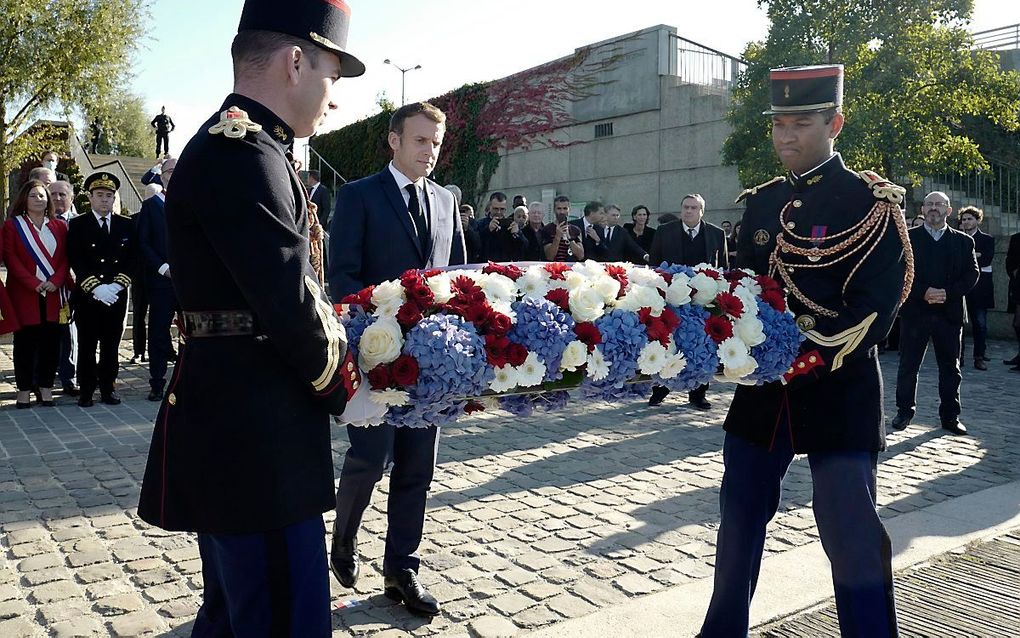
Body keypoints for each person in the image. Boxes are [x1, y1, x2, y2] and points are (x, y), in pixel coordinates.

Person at [137, 2, 364, 635]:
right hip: (258, 440)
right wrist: (349, 382)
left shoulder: (247, 144)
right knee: (278, 617)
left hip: (245, 424)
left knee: (238, 615)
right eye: (332, 76)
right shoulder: (243, 151)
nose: (334, 99)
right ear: (296, 61)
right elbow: (289, 297)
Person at [699, 65, 910, 638]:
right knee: (738, 520)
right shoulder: (762, 204)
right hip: (763, 396)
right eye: (778, 125)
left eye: (800, 124)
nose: (785, 137)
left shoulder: (868, 201)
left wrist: (807, 352)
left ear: (835, 122)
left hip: (837, 389)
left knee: (850, 530)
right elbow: (741, 289)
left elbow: (876, 305)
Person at [328, 101, 465, 618]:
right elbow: (341, 278)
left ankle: (401, 568)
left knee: (416, 469)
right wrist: (375, 330)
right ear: (394, 140)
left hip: (432, 363)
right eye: (419, 140)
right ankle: (344, 538)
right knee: (369, 459)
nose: (429, 151)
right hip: (376, 357)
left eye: (435, 142)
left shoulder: (447, 202)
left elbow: (458, 280)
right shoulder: (359, 196)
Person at [891, 192, 979, 435]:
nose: (934, 208)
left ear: (949, 211)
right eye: (929, 204)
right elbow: (899, 272)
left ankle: (951, 416)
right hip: (916, 312)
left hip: (949, 314)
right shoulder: (907, 239)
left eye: (939, 204)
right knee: (908, 365)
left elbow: (972, 275)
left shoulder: (963, 242)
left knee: (951, 368)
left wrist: (946, 293)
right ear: (923, 209)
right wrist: (923, 292)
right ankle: (904, 411)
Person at [648, 193, 728, 410]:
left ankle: (698, 393)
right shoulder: (665, 231)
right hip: (673, 296)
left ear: (702, 211)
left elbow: (723, 267)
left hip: (704, 300)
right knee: (669, 341)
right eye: (685, 207)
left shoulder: (716, 234)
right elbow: (655, 264)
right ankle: (660, 388)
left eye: (693, 208)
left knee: (702, 344)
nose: (689, 211)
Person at [66, 173, 134, 407]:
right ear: (90, 198)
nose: (105, 200)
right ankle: (86, 390)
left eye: (109, 195)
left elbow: (133, 259)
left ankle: (108, 388)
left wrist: (116, 285)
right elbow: (76, 259)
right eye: (100, 195)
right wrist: (96, 288)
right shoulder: (77, 225)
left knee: (111, 345)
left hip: (116, 295)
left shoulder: (126, 224)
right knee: (87, 345)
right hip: (89, 297)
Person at [3, 180, 70, 407]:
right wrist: (33, 283)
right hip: (24, 293)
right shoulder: (13, 226)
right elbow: (11, 259)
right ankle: (23, 390)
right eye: (34, 195)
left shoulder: (59, 226)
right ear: (24, 198)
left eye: (42, 196)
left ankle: (46, 387)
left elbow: (64, 259)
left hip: (53, 293)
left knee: (51, 343)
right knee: (25, 344)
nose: (39, 199)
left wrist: (56, 280)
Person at [136, 158, 178, 401]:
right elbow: (144, 242)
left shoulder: (192, 203)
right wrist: (163, 268)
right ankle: (157, 382)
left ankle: (187, 379)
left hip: (189, 282)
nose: (173, 175)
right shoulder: (151, 205)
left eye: (177, 171)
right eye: (169, 171)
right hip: (162, 281)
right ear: (161, 176)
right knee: (159, 332)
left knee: (193, 333)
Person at [48, 180, 78, 396]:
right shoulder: (40, 223)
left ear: (71, 198)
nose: (58, 198)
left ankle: (70, 377)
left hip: (75, 287)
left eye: (62, 194)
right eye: (54, 194)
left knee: (71, 333)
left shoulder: (80, 223)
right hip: (47, 286)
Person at [957, 206, 994, 370]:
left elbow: (986, 260)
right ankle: (959, 356)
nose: (966, 222)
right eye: (964, 219)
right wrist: (975, 255)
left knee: (980, 324)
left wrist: (971, 257)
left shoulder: (987, 239)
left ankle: (979, 357)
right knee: (959, 325)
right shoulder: (956, 238)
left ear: (977, 220)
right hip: (961, 289)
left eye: (969, 219)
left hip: (981, 289)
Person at [543, 195, 584, 261]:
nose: (562, 212)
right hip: (554, 268)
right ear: (554, 210)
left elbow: (581, 256)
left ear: (569, 210)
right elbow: (549, 256)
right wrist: (557, 236)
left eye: (565, 208)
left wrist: (569, 238)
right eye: (559, 208)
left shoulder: (575, 230)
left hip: (571, 268)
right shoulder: (547, 229)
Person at [1006, 231, 1020, 370]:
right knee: (1017, 323)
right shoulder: (1016, 238)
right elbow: (1010, 261)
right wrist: (1014, 272)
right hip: (1018, 285)